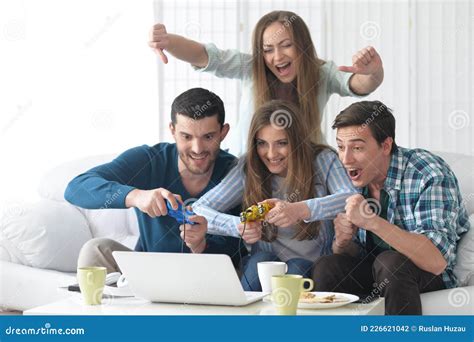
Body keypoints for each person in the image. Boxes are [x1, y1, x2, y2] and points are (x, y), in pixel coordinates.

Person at [149, 10, 384, 155]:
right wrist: (167, 41)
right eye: (268, 49)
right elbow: (205, 56)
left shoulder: (321, 73)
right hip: (250, 171)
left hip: (304, 171)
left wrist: (373, 73)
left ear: (302, 45)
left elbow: (357, 84)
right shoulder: (252, 68)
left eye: (286, 45)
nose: (277, 57)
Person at [312, 100, 471, 315]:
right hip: (378, 271)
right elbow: (359, 255)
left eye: (357, 148)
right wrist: (343, 242)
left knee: (390, 263)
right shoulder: (356, 176)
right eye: (341, 147)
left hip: (425, 273)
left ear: (386, 146)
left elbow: (436, 261)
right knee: (327, 266)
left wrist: (372, 222)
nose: (346, 159)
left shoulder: (429, 173)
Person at [64, 88, 246, 273]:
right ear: (173, 131)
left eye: (208, 137)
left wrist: (201, 245)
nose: (197, 149)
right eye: (186, 137)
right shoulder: (149, 160)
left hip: (206, 276)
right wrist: (136, 196)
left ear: (223, 132)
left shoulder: (238, 174)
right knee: (96, 250)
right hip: (148, 270)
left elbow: (239, 254)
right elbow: (76, 188)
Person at [192, 100, 357, 291]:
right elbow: (198, 209)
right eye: (262, 143)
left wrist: (300, 210)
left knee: (298, 267)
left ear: (296, 141)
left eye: (281, 143)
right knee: (260, 261)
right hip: (264, 264)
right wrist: (237, 227)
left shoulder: (323, 159)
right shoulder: (249, 168)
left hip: (313, 265)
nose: (271, 154)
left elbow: (351, 198)